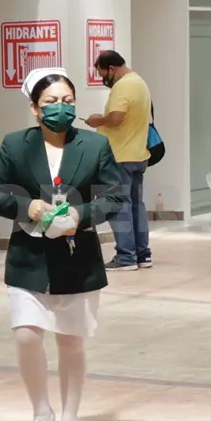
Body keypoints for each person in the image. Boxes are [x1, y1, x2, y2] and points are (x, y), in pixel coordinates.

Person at [0, 68, 124, 421]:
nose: (60, 108)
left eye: (67, 101)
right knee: (26, 336)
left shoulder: (94, 145)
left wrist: (82, 214)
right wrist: (26, 206)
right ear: (34, 108)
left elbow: (115, 196)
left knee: (70, 342)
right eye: (50, 102)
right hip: (28, 258)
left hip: (77, 260)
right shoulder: (16, 145)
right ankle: (41, 414)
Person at [86, 51, 153, 271]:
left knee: (118, 207)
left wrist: (97, 120)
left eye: (102, 73)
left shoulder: (122, 86)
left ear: (111, 69)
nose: (102, 79)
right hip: (138, 154)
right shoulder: (140, 82)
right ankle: (142, 255)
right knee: (136, 207)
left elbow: (116, 118)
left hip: (120, 156)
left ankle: (126, 257)